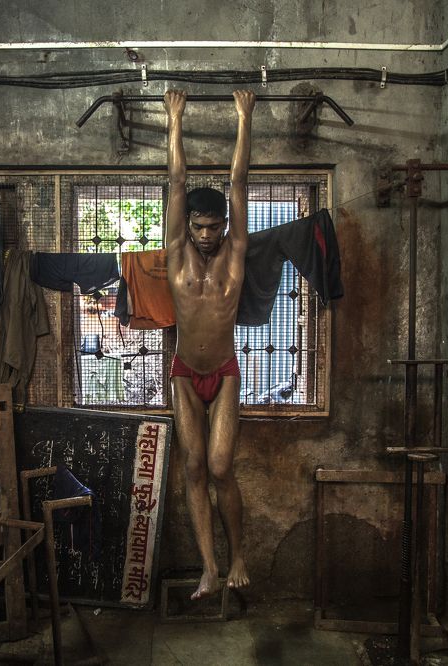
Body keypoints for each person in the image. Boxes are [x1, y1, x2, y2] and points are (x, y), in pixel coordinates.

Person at [163, 88, 255, 600]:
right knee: (194, 468)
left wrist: (243, 119)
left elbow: (238, 181)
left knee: (221, 467)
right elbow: (176, 181)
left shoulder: (234, 253)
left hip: (222, 372)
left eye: (212, 226)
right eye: (197, 226)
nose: (204, 234)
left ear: (224, 226)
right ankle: (209, 566)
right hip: (182, 371)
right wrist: (174, 122)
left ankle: (239, 553)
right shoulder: (177, 253)